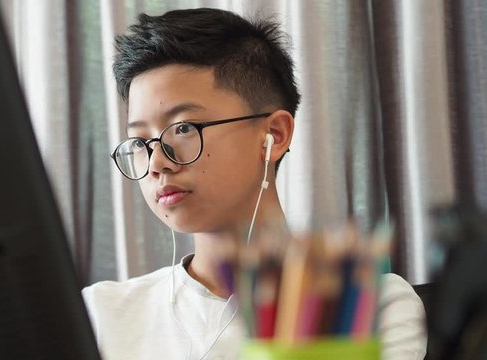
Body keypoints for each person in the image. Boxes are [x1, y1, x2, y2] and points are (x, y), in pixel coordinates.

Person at [82, 8, 427, 360]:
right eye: (141, 142)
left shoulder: (367, 303)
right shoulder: (100, 312)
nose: (156, 163)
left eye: (184, 128)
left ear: (274, 135)